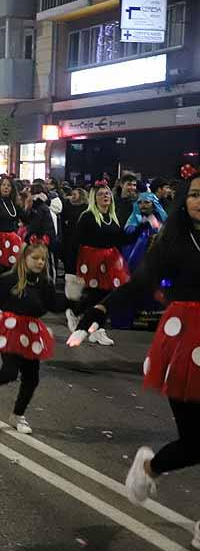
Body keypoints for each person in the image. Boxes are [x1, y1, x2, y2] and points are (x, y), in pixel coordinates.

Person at [69, 167, 200, 523]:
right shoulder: (173, 240)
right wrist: (100, 309)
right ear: (184, 199)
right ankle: (151, 466)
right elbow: (140, 284)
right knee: (194, 442)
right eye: (195, 194)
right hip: (185, 342)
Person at [0, 243, 65, 434]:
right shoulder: (10, 279)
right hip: (11, 330)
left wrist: (73, 299)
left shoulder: (45, 282)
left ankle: (17, 415)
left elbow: (54, 305)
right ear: (24, 259)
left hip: (31, 331)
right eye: (35, 258)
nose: (40, 262)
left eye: (43, 259)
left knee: (32, 378)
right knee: (10, 372)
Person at [64, 181, 133, 346]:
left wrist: (142, 228)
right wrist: (71, 268)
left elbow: (122, 240)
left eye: (107, 193)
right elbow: (75, 242)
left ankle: (92, 326)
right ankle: (80, 315)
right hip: (92, 259)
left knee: (106, 296)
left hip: (110, 261)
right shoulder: (87, 217)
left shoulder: (113, 218)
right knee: (97, 295)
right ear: (94, 198)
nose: (105, 196)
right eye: (101, 194)